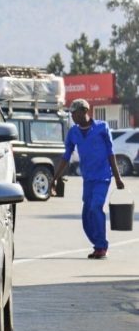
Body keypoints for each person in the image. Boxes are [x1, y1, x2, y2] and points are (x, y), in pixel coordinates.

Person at [52, 98, 125, 259]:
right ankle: (97, 244)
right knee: (86, 215)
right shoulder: (73, 132)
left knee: (95, 207)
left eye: (75, 112)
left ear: (85, 111)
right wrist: (55, 177)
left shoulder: (102, 127)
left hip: (103, 177)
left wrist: (118, 178)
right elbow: (66, 156)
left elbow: (110, 153)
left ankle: (101, 246)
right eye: (71, 113)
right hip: (88, 178)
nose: (72, 116)